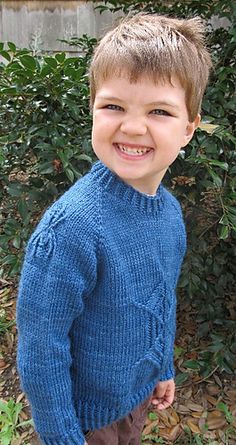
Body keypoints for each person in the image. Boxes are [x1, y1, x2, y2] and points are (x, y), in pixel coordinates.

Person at [16, 12, 212, 445]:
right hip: (84, 421)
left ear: (188, 129)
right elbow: (40, 351)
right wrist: (63, 437)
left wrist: (160, 369)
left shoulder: (169, 213)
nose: (133, 126)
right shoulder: (72, 229)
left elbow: (161, 299)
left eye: (159, 111)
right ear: (92, 111)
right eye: (113, 106)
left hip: (135, 400)